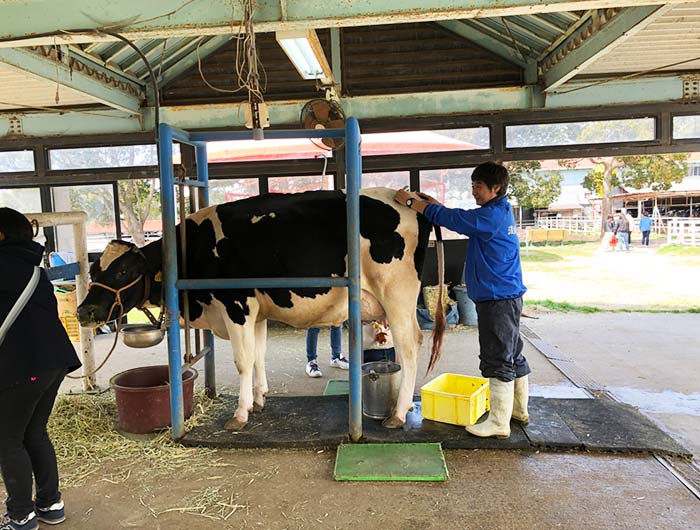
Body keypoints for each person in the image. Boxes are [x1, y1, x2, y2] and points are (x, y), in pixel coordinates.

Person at [394, 162, 530, 439]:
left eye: (479, 186)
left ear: (496, 188)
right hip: (506, 296)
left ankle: (499, 423)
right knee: (512, 352)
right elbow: (461, 216)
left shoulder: (490, 217)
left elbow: (457, 221)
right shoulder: (498, 211)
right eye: (473, 185)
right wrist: (432, 204)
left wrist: (410, 202)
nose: (474, 191)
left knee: (498, 356)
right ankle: (518, 410)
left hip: (497, 299)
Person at [0, 208, 81, 530]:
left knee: (7, 441)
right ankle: (50, 503)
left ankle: (21, 514)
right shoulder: (34, 270)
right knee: (34, 432)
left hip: (23, 366)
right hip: (53, 362)